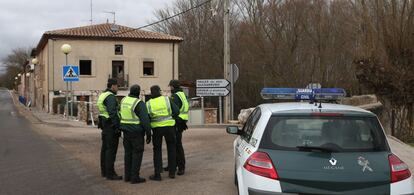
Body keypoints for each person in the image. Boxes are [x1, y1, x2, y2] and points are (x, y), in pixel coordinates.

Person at [119, 85, 152, 184]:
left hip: (125, 132)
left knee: (128, 154)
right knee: (137, 154)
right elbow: (145, 120)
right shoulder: (138, 103)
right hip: (136, 132)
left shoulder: (123, 100)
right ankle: (135, 177)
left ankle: (127, 176)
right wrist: (148, 133)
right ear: (138, 92)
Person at [146, 85, 179, 181]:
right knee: (172, 148)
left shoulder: (148, 103)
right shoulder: (167, 99)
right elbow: (176, 111)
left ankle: (157, 174)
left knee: (157, 150)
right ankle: (172, 172)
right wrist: (171, 117)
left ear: (151, 93)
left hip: (156, 129)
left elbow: (147, 118)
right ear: (160, 91)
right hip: (169, 127)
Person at [97, 78, 122, 180]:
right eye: (117, 86)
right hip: (111, 126)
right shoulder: (111, 97)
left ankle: (104, 171)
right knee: (111, 151)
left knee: (105, 150)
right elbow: (112, 112)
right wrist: (117, 126)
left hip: (105, 125)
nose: (118, 88)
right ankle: (110, 174)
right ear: (113, 86)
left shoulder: (103, 95)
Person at [164, 80, 189, 175]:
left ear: (172, 87)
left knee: (176, 145)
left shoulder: (175, 96)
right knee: (176, 144)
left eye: (170, 86)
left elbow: (174, 110)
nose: (169, 88)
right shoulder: (182, 94)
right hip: (182, 121)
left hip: (177, 122)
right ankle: (173, 165)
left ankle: (180, 167)